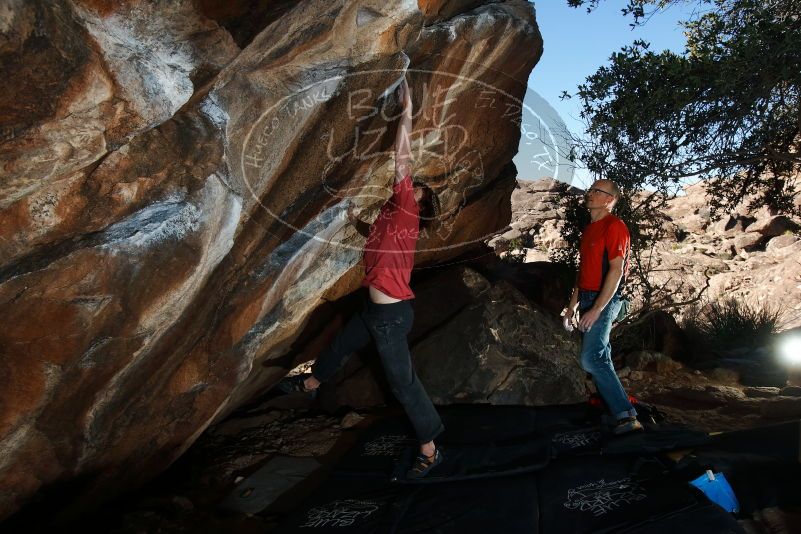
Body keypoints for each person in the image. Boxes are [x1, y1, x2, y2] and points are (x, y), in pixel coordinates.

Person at [278, 77, 444, 478]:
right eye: (415, 186)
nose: (413, 186)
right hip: (378, 312)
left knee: (402, 384)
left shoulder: (406, 207)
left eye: (418, 189)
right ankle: (313, 382)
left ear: (418, 202)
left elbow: (401, 161)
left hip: (389, 317)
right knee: (340, 345)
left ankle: (430, 447)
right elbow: (374, 235)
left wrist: (406, 113)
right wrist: (356, 221)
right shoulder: (392, 216)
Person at [562, 179, 643, 436]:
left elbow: (617, 270)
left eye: (597, 191)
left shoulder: (615, 226)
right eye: (591, 189)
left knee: (591, 358)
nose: (591, 193)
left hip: (604, 299)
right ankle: (618, 411)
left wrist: (597, 308)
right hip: (587, 296)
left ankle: (626, 416)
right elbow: (583, 271)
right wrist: (572, 306)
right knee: (602, 356)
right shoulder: (589, 230)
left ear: (609, 199)